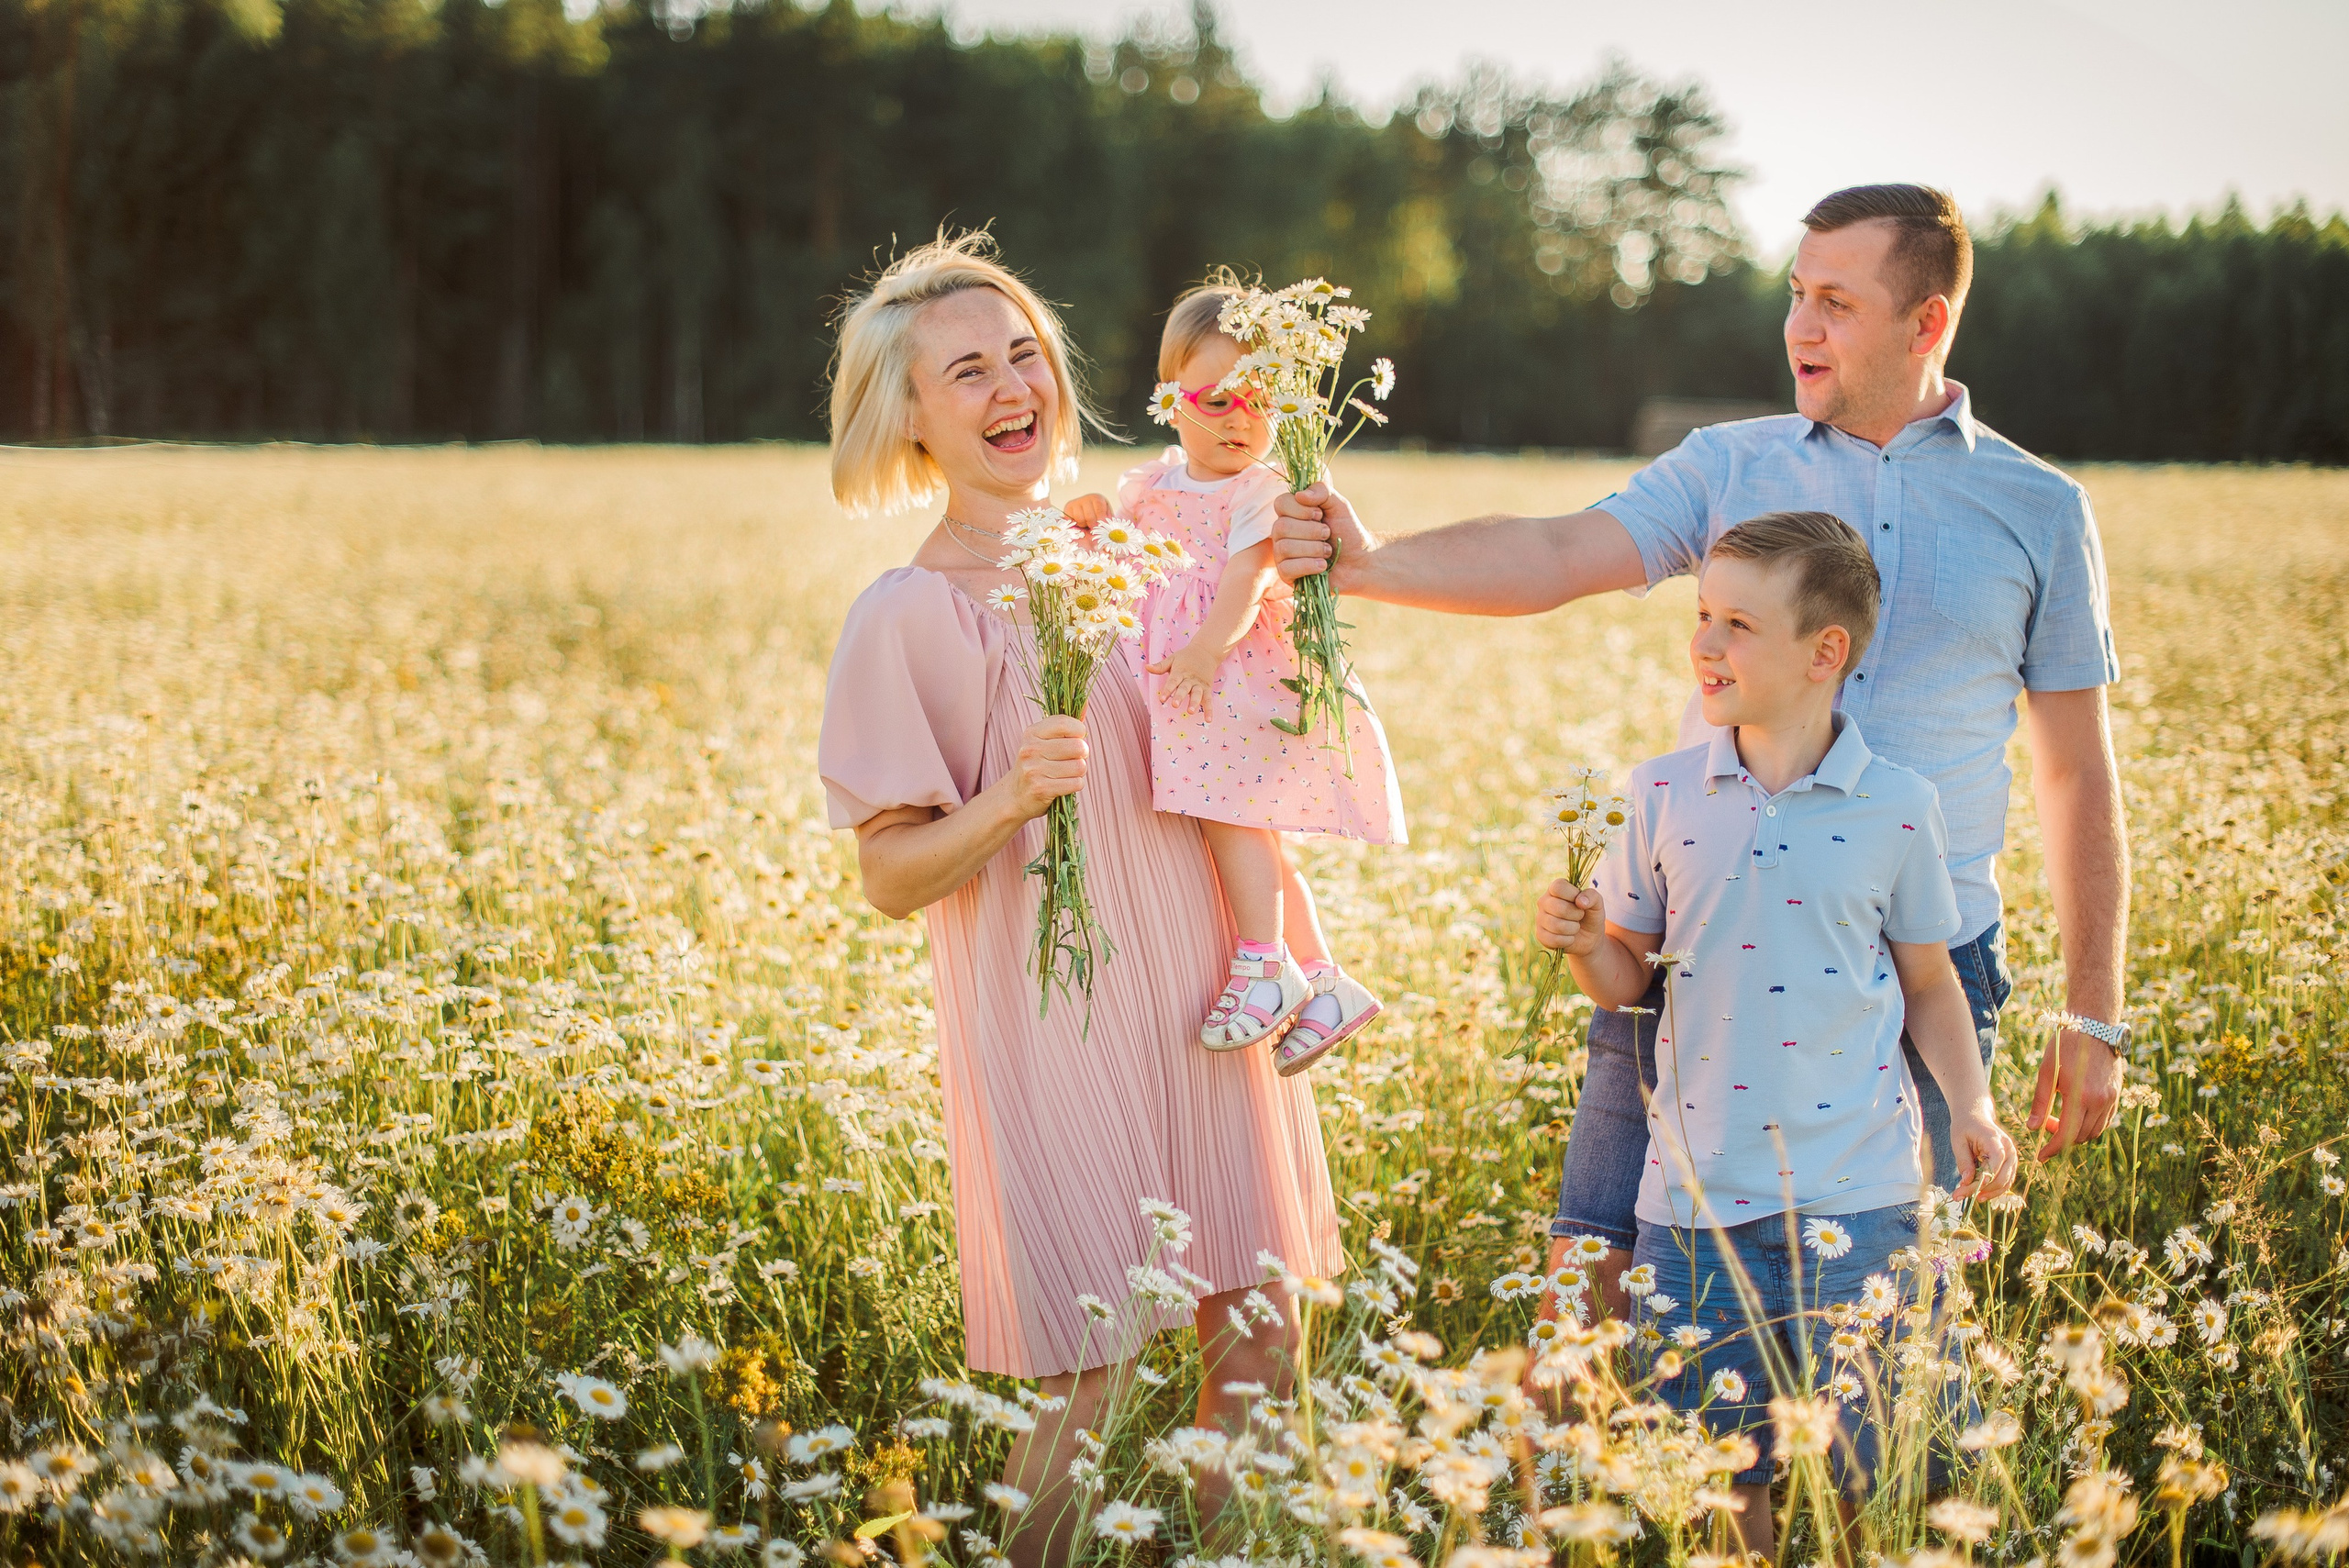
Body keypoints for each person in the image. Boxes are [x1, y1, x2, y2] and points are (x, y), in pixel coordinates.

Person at [1270, 183, 2129, 1317]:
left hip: (1920, 971)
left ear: (1927, 325)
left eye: (1836, 301)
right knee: (1593, 1290)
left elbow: (2075, 771)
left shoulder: (2040, 508)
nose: (1799, 326)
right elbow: (1561, 549)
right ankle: (1560, 1497)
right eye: (1794, 295)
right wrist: (1369, 566)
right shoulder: (1727, 463)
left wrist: (2092, 1012)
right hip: (1690, 956)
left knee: (1862, 1334)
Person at [816, 232, 1342, 1567]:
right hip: (1054, 1027)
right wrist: (1002, 803)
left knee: (1263, 1328)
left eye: (1024, 356)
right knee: (1087, 1373)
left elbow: (1233, 756)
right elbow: (888, 873)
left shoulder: (1141, 546)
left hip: (1209, 998)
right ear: (915, 419)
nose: (1011, 387)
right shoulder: (910, 614)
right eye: (965, 372)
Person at [1537, 510, 2018, 1556]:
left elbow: (1931, 982)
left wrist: (1971, 1105)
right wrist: (1582, 941)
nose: (1704, 642)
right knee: (1718, 1478)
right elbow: (1626, 980)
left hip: (1863, 1201)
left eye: (1737, 623)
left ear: (1824, 653)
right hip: (1694, 1202)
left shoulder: (1899, 804)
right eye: (1702, 615)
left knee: (1873, 1474)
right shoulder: (1659, 791)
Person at [1060, 281, 1400, 1073]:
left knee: (1231, 821)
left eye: (1259, 398)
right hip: (1185, 677)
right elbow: (1128, 554)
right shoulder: (1151, 486)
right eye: (1216, 399)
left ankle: (1263, 961)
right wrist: (1093, 524)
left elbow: (1248, 581)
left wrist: (1211, 646)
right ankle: (1324, 979)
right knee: (1256, 837)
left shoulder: (1261, 490)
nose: (1239, 418)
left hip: (1231, 676)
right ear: (1170, 400)